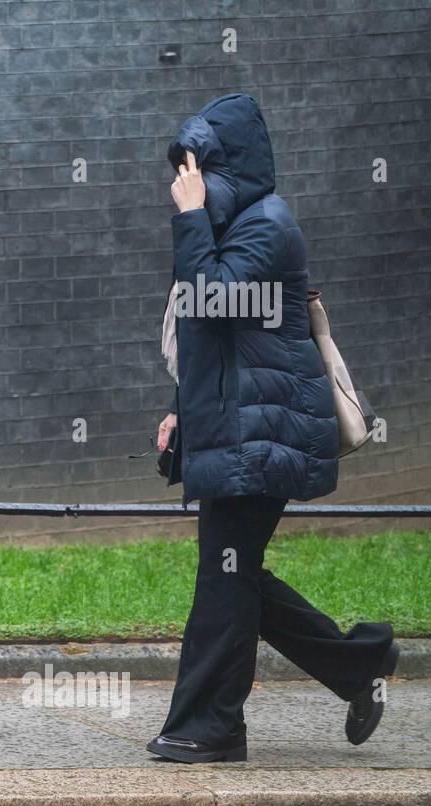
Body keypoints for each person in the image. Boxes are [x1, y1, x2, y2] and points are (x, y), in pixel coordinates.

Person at [150, 93, 398, 763]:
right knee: (236, 573)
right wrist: (183, 409)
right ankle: (358, 664)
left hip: (267, 433)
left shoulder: (267, 225)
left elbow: (211, 298)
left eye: (195, 168)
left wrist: (194, 216)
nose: (184, 181)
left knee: (225, 578)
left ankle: (212, 726)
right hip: (236, 428)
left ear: (225, 165)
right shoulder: (231, 227)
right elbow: (212, 338)